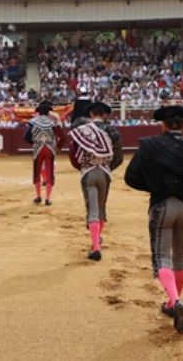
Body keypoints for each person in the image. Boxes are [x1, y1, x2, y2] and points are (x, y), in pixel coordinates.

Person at [124, 105, 183, 334]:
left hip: (161, 207)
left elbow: (130, 178)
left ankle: (175, 301)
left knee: (161, 257)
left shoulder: (150, 145)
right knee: (181, 258)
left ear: (162, 124)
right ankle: (173, 302)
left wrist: (155, 185)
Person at [68, 102, 124, 261]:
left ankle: (96, 247)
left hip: (88, 172)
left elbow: (73, 154)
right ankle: (97, 237)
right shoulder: (112, 131)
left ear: (91, 114)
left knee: (91, 209)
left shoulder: (82, 130)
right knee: (101, 209)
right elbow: (119, 158)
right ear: (105, 115)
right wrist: (105, 167)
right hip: (105, 173)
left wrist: (84, 166)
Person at [24, 101, 66, 206]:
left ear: (39, 112)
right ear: (48, 112)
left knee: (37, 172)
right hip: (49, 149)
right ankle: (47, 199)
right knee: (49, 173)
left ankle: (38, 196)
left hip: (38, 149)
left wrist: (35, 142)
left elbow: (26, 137)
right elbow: (63, 137)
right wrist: (57, 147)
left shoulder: (33, 122)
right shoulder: (52, 123)